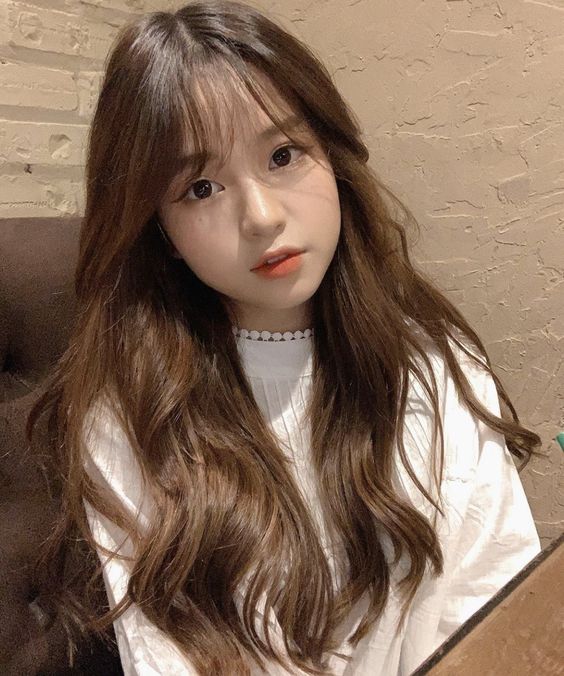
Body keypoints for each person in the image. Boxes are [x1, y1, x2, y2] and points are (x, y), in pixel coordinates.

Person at [27, 1, 542, 674]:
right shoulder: (136, 416)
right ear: (160, 230)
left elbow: (498, 609)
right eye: (201, 188)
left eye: (282, 155)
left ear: (331, 157)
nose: (262, 216)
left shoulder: (437, 363)